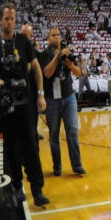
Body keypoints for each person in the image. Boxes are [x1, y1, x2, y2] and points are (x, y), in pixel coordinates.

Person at [0, 3, 51, 207]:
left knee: (31, 143)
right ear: (0, 20)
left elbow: (37, 68)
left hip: (26, 102)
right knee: (11, 147)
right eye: (6, 18)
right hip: (6, 104)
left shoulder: (23, 41)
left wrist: (40, 94)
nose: (9, 22)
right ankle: (17, 186)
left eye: (12, 19)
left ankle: (37, 189)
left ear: (15, 21)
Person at [38, 28, 86, 176]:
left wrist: (69, 64)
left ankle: (77, 165)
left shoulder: (68, 52)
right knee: (54, 135)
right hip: (52, 99)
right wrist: (58, 55)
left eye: (58, 35)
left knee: (72, 131)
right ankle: (57, 166)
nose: (57, 37)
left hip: (68, 97)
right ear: (48, 39)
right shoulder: (44, 54)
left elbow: (79, 73)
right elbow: (47, 73)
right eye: (53, 35)